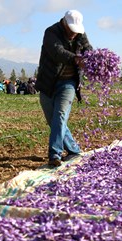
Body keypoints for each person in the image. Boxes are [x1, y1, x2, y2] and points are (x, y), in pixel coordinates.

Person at [34, 9, 93, 167]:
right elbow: (57, 52)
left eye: (76, 30)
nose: (74, 34)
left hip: (68, 83)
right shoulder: (51, 32)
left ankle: (55, 154)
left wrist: (95, 59)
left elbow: (88, 50)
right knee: (53, 120)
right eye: (71, 30)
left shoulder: (80, 34)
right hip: (48, 82)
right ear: (64, 23)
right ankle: (73, 150)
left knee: (60, 115)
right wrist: (76, 59)